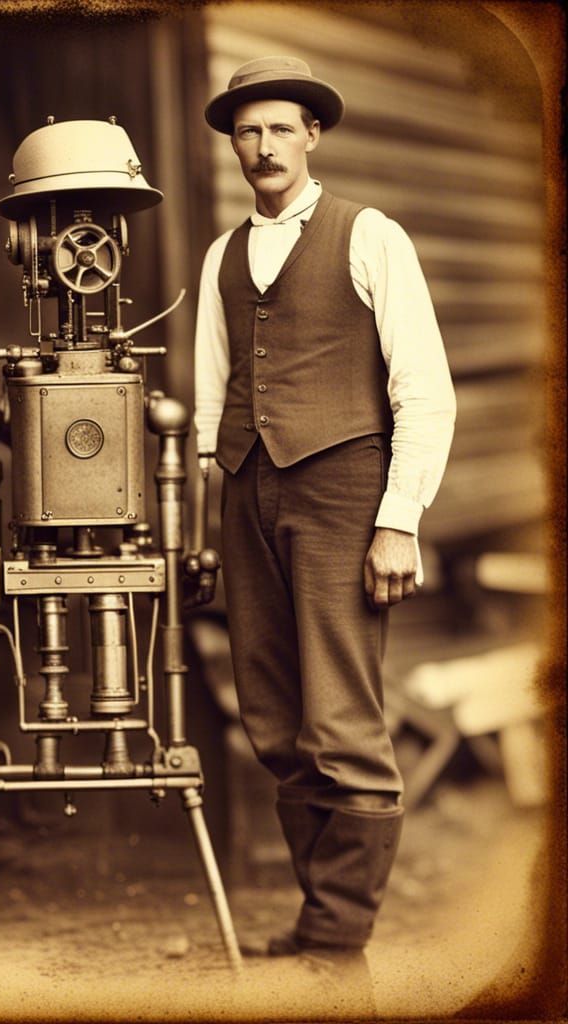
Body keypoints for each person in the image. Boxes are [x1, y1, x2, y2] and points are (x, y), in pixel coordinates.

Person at [195, 58, 456, 963]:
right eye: (248, 131)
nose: (264, 146)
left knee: (341, 716)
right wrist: (209, 517)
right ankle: (321, 920)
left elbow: (423, 389)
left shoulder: (369, 235)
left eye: (280, 128)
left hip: (344, 490)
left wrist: (399, 519)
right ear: (234, 145)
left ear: (312, 135)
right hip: (246, 490)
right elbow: (214, 399)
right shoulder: (223, 255)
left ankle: (340, 935)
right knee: (274, 717)